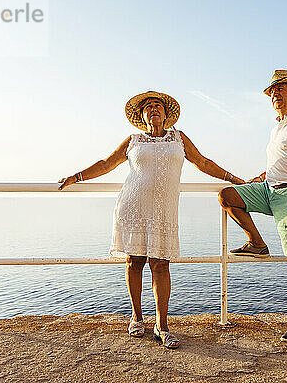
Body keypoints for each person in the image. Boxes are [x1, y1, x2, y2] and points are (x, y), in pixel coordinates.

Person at [59, 91, 244, 349]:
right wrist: (76, 176)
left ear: (167, 114)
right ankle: (136, 317)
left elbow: (203, 162)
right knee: (134, 262)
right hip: (132, 206)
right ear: (142, 116)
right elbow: (105, 164)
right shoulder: (134, 140)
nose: (153, 109)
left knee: (160, 265)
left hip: (164, 210)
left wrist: (235, 180)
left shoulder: (179, 138)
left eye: (158, 105)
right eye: (148, 107)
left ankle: (162, 325)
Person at [218, 70, 287, 343]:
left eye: (281, 89)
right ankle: (256, 243)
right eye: (272, 91)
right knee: (228, 196)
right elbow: (285, 160)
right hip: (269, 189)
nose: (275, 94)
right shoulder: (279, 126)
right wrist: (262, 177)